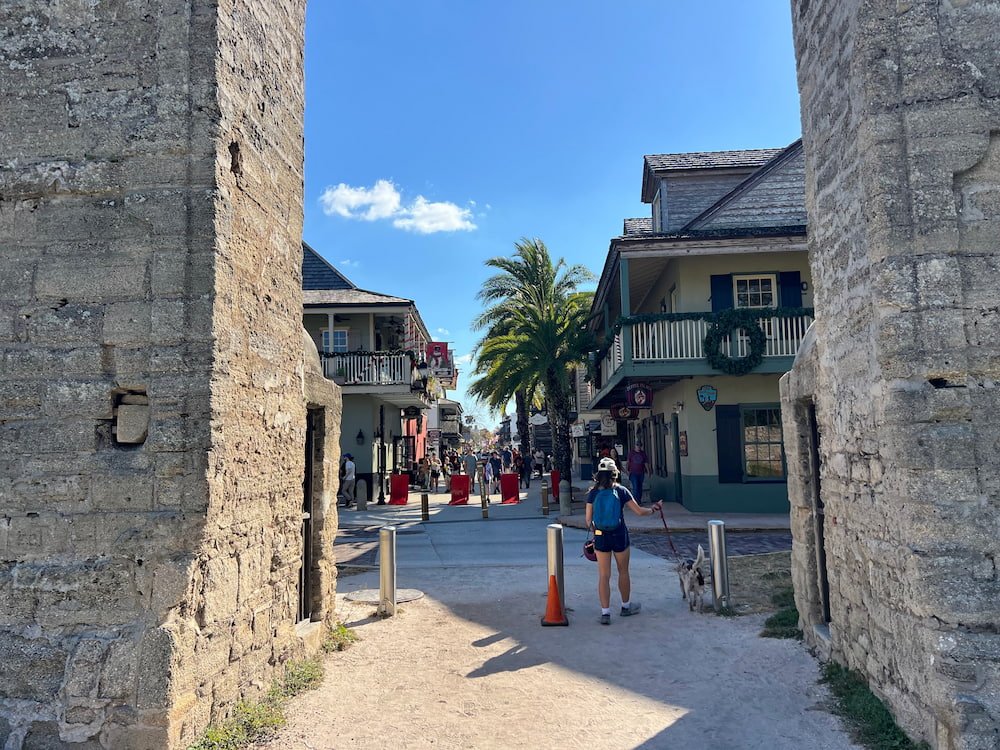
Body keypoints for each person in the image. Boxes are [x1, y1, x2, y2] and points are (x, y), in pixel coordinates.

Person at [585, 456, 662, 625]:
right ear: (615, 474)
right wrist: (653, 510)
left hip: (600, 536)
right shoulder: (621, 491)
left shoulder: (593, 493)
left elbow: (588, 520)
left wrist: (597, 531)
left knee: (604, 575)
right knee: (623, 571)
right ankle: (626, 607)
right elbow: (640, 512)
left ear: (598, 474)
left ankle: (605, 613)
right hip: (619, 534)